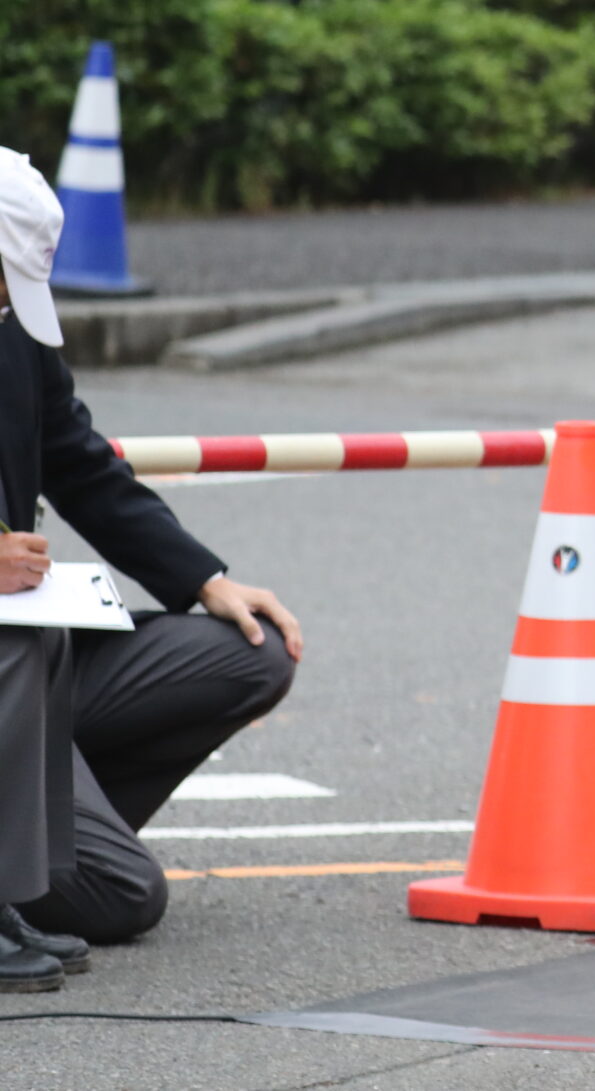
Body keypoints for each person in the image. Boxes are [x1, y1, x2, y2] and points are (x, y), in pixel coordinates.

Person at [0, 148, 301, 993]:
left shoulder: (10, 328)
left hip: (29, 654)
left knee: (252, 652)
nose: (8, 301)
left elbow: (81, 463)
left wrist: (207, 580)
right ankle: (21, 862)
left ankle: (28, 845)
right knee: (123, 896)